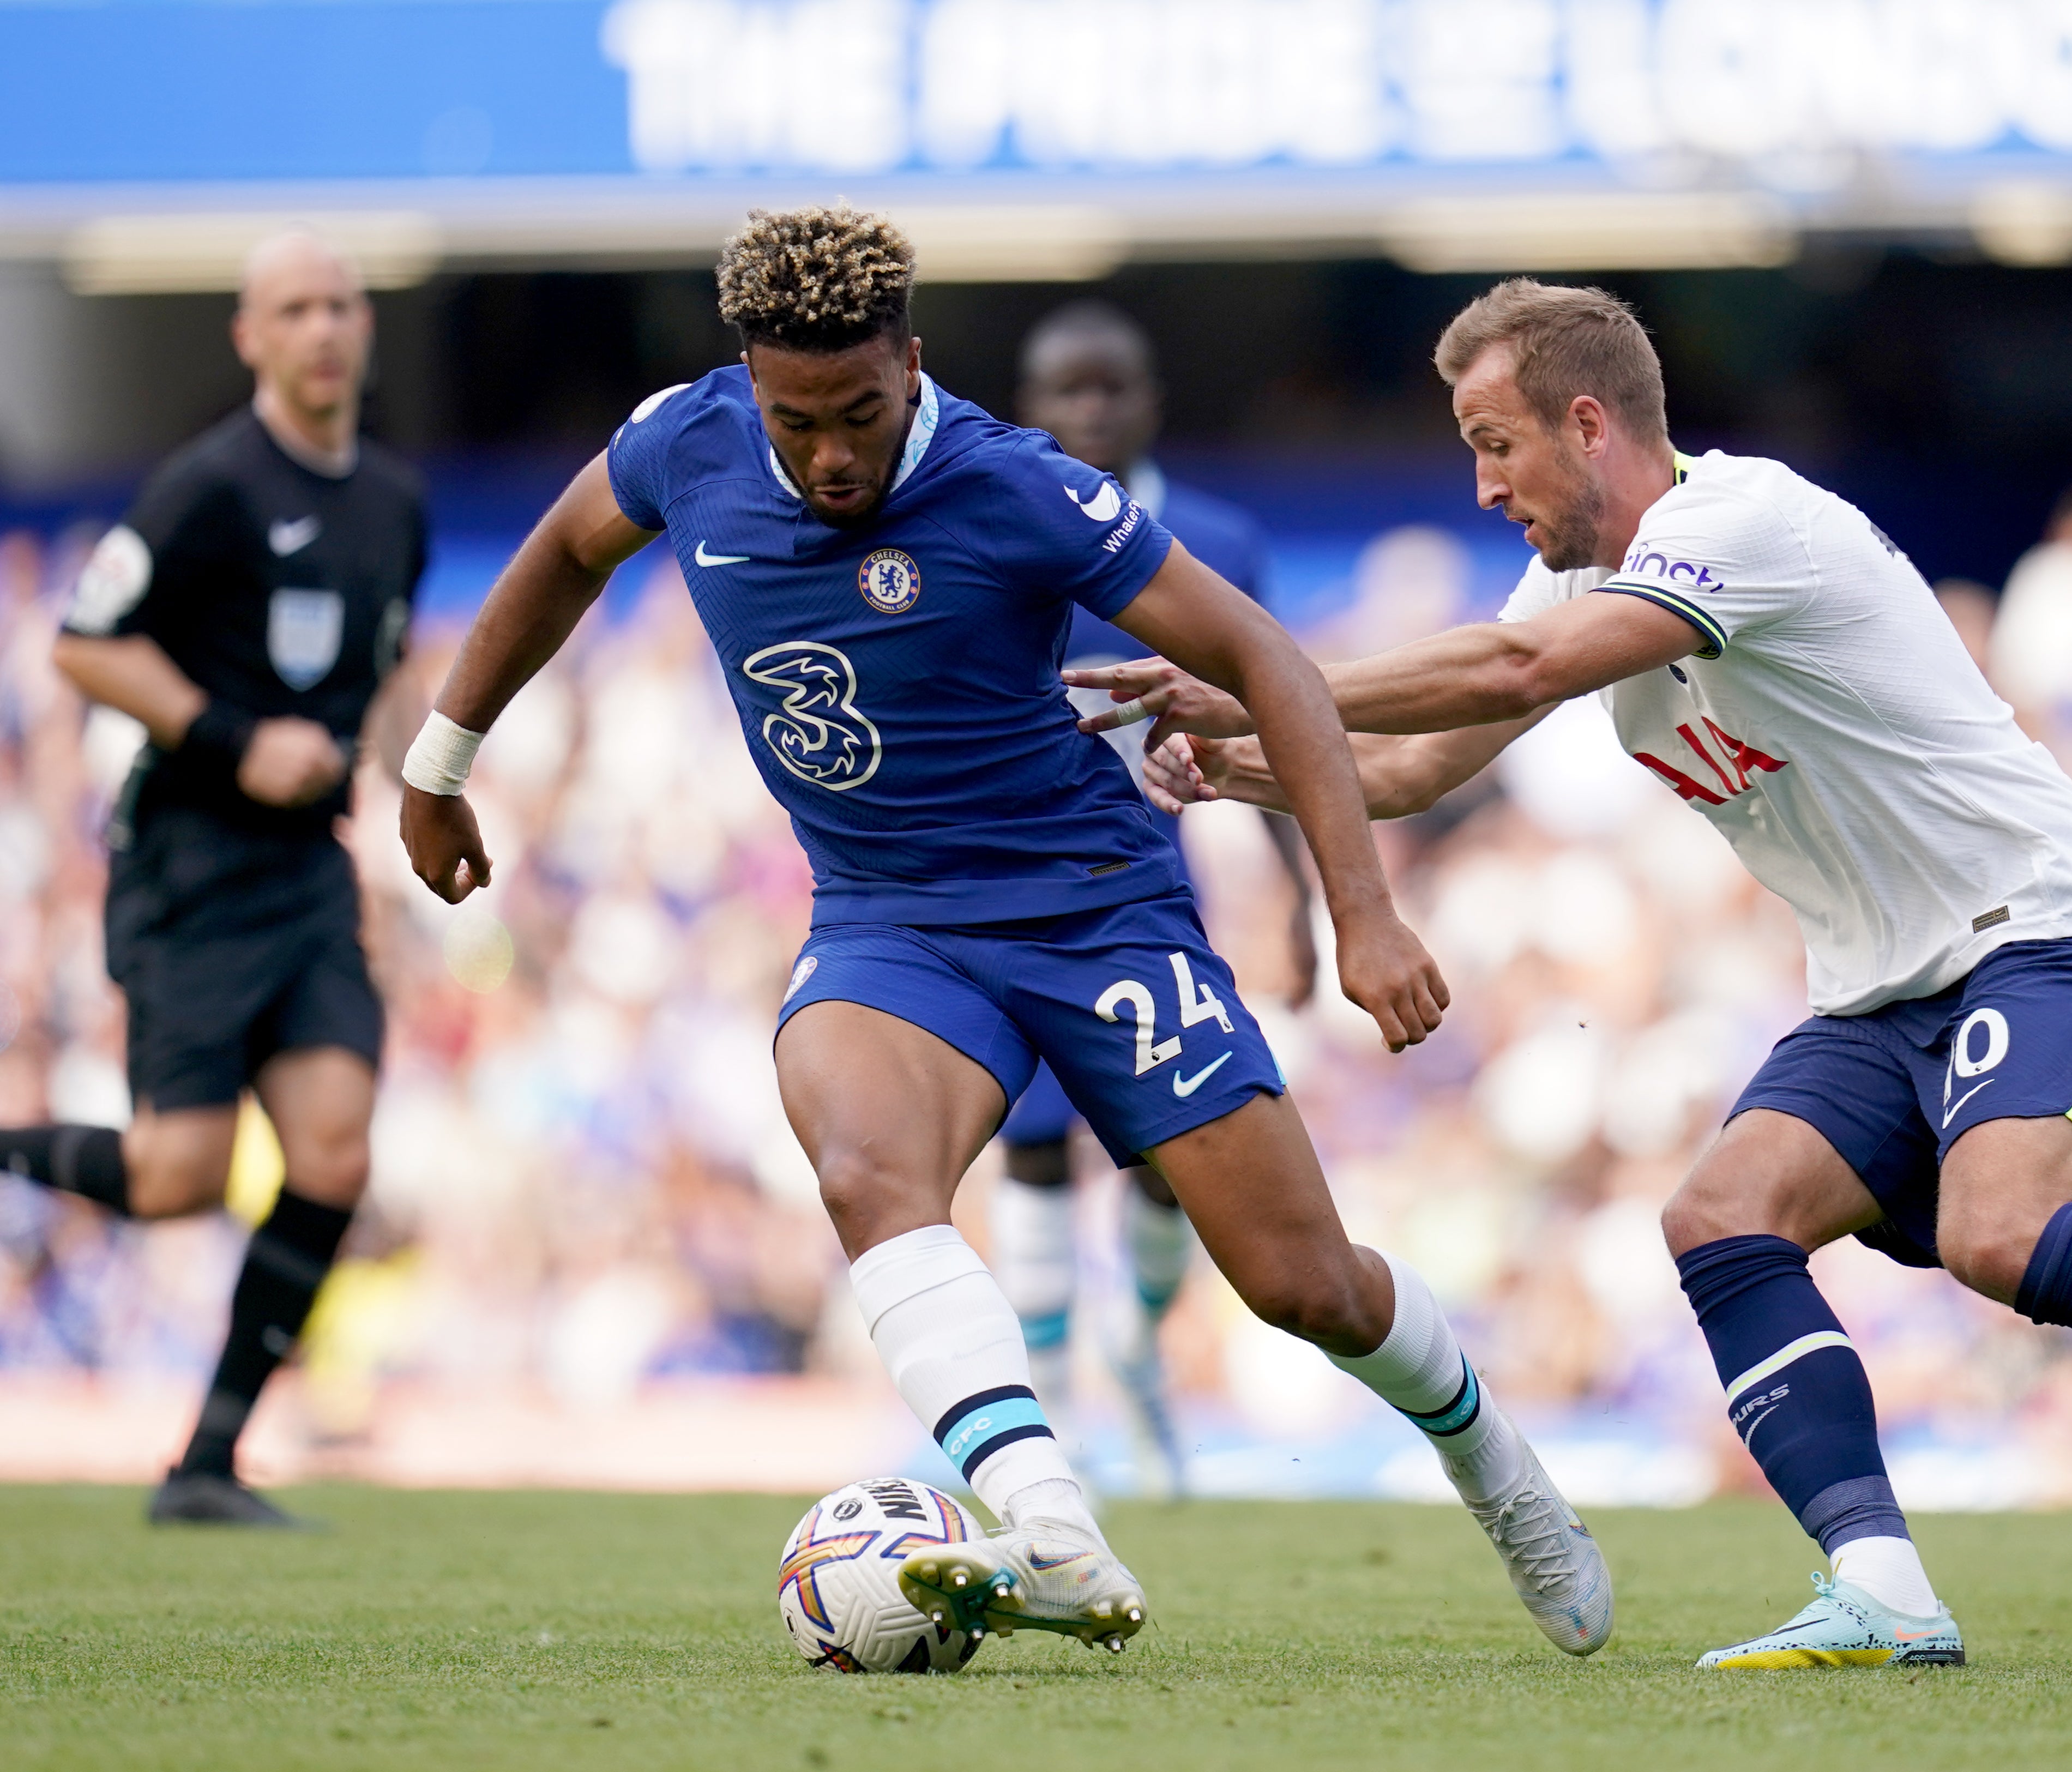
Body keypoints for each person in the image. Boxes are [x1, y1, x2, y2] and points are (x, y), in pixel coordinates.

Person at [1080, 278, 2072, 1668]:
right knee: (1718, 1220)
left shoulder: (1745, 520)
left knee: (1998, 1237)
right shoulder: (1581, 592)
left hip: (2038, 931)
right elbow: (1401, 770)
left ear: (1589, 425)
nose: (1481, 486)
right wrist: (1236, 767)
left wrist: (1265, 667)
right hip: (1880, 990)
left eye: (1495, 445)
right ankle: (1881, 1592)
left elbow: (1511, 679)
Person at [394, 209, 1611, 1658]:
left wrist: (1360, 912)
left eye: (859, 413)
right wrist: (439, 761)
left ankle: (1500, 1472)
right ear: (747, 389)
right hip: (888, 921)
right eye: (797, 423)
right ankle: (1049, 1520)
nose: (832, 453)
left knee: (1304, 1284)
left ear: (911, 364)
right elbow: (556, 556)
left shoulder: (1016, 485)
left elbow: (1263, 658)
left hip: (1098, 915)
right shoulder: (686, 442)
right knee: (864, 1164)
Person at [0, 230, 425, 1526]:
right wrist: (239, 742)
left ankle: (209, 1458)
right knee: (178, 1175)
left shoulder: (394, 507)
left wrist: (421, 788)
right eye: (293, 308)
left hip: (307, 872)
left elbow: (383, 680)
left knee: (336, 1151)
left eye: (341, 303)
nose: (322, 328)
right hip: (188, 866)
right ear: (249, 335)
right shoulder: (207, 485)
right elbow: (85, 644)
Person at [995, 300, 1314, 1493]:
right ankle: (1056, 1413)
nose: (1086, 411)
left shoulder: (1218, 542)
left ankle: (1136, 1350)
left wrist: (1298, 898)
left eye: (1107, 387)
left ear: (1150, 399)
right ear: (1027, 410)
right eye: (1061, 392)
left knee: (1167, 1157)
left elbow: (1273, 720)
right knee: (1030, 1154)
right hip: (1013, 887)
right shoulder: (997, 531)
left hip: (1150, 891)